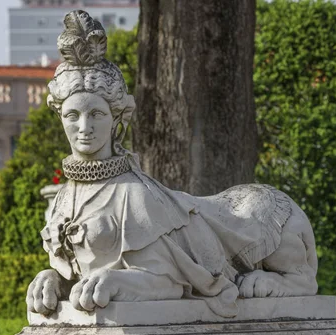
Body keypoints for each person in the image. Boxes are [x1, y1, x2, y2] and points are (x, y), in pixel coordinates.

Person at [26, 10, 318, 318]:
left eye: (96, 114)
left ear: (116, 120)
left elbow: (167, 283)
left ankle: (296, 280)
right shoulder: (62, 201)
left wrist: (113, 280)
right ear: (60, 118)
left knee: (259, 213)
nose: (84, 127)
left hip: (254, 216)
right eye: (72, 115)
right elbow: (81, 273)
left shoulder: (135, 196)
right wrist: (52, 278)